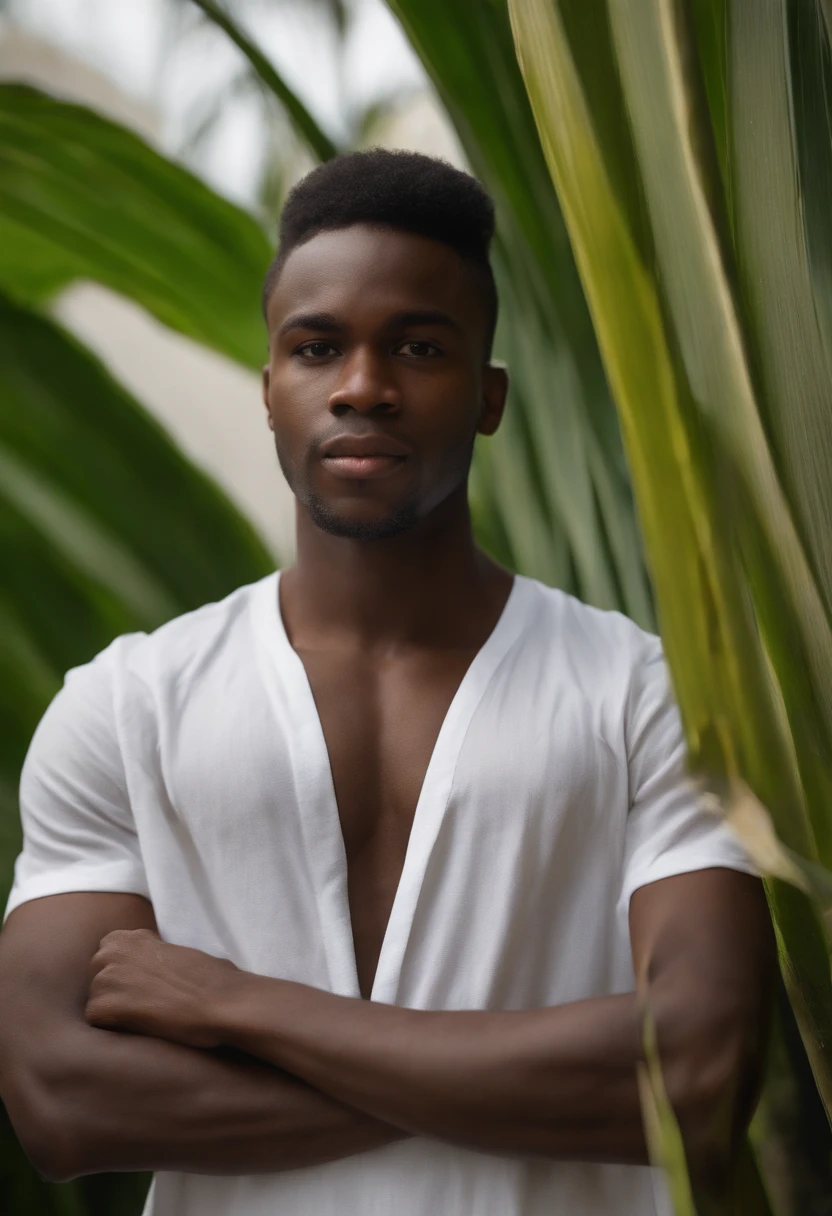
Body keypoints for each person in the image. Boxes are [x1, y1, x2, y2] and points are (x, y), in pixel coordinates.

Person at [0, 150, 774, 1216]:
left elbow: (695, 1078)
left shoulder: (638, 693)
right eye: (317, 348)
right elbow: (60, 1102)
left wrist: (241, 1006)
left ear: (488, 396)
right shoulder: (126, 704)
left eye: (418, 345)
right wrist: (530, 1076)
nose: (363, 385)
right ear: (271, 389)